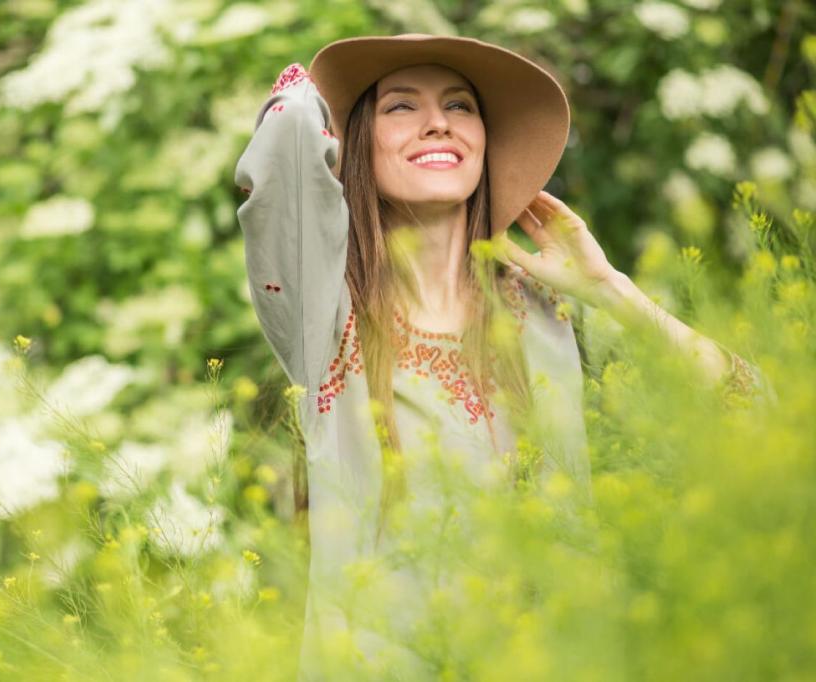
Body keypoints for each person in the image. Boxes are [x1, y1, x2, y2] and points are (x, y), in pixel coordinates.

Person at [234, 34, 762, 681]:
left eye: (460, 106)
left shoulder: (548, 313)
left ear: (484, 142)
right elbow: (285, 144)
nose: (438, 122)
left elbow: (754, 410)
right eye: (401, 107)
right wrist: (315, 95)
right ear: (358, 143)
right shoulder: (324, 318)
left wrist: (609, 290)